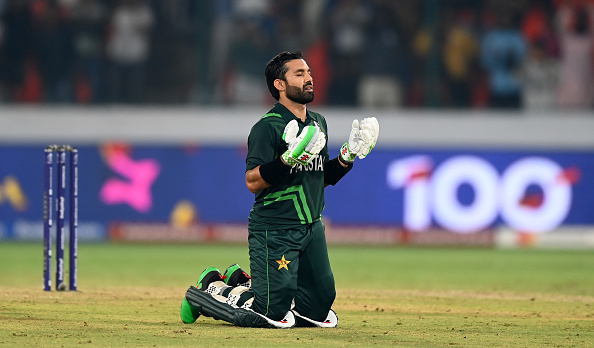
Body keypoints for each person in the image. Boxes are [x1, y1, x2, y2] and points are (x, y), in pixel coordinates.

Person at [180, 51, 379, 328]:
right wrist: (287, 160)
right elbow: (252, 181)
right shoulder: (267, 127)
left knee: (319, 308)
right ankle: (208, 289)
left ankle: (239, 280)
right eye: (299, 74)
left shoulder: (318, 123)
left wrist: (348, 156)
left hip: (312, 227)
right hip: (275, 227)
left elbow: (317, 178)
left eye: (308, 72)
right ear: (279, 84)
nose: (309, 78)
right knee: (271, 311)